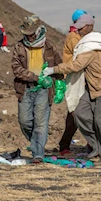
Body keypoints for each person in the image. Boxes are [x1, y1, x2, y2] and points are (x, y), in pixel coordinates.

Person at [43, 14, 101, 164]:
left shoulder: (91, 46)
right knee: (79, 112)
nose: (77, 31)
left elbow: (76, 65)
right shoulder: (86, 43)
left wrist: (53, 70)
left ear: (89, 28)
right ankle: (96, 145)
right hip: (92, 86)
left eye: (81, 28)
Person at [11, 16, 62, 163]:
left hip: (44, 90)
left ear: (39, 31)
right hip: (25, 88)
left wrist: (59, 84)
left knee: (41, 122)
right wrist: (35, 78)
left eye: (32, 33)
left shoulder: (49, 47)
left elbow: (58, 66)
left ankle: (38, 153)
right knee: (25, 121)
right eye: (27, 34)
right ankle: (35, 142)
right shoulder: (19, 47)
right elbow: (16, 68)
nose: (29, 36)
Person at [58, 9, 89, 156]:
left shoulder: (78, 36)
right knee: (74, 113)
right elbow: (81, 56)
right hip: (74, 79)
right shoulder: (73, 38)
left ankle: (91, 144)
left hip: (81, 78)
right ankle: (64, 144)